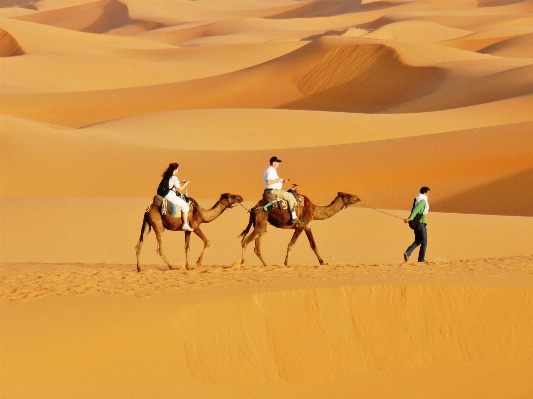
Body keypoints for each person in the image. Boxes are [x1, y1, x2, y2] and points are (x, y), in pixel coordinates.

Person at [263, 156, 300, 225]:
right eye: (277, 162)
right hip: (274, 191)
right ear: (273, 163)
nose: (278, 164)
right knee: (290, 197)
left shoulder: (270, 170)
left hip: (272, 190)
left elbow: (272, 181)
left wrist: (283, 181)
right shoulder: (271, 170)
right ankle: (294, 218)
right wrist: (279, 180)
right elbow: (268, 182)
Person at [158, 163, 193, 231]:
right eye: (177, 169)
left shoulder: (167, 176)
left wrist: (180, 182)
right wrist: (186, 183)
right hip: (170, 195)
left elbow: (170, 185)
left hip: (165, 194)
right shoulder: (174, 178)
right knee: (185, 206)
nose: (178, 170)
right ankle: (185, 224)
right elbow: (179, 190)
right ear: (175, 169)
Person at [403, 187, 430, 262]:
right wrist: (410, 218)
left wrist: (410, 218)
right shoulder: (423, 201)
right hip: (420, 223)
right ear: (424, 193)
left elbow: (414, 210)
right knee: (424, 242)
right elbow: (416, 210)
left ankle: (408, 253)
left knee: (418, 240)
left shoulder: (417, 199)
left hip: (416, 222)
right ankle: (421, 259)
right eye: (428, 193)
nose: (428, 194)